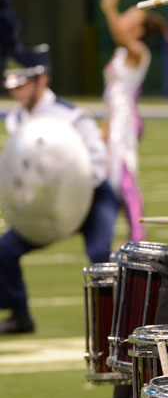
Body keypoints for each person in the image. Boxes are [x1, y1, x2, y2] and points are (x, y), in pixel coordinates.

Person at [0, 46, 118, 334]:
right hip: (47, 205)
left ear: (43, 80)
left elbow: (98, 165)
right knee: (4, 249)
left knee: (101, 254)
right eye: (12, 84)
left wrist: (69, 194)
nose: (15, 91)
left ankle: (115, 322)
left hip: (92, 198)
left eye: (23, 82)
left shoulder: (73, 116)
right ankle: (20, 315)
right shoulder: (15, 120)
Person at [100, 0, 154, 242]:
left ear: (140, 30)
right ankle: (117, 232)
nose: (126, 16)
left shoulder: (139, 52)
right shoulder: (122, 51)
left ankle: (138, 236)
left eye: (133, 15)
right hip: (115, 117)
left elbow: (119, 34)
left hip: (126, 120)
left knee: (124, 176)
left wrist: (109, 8)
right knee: (111, 176)